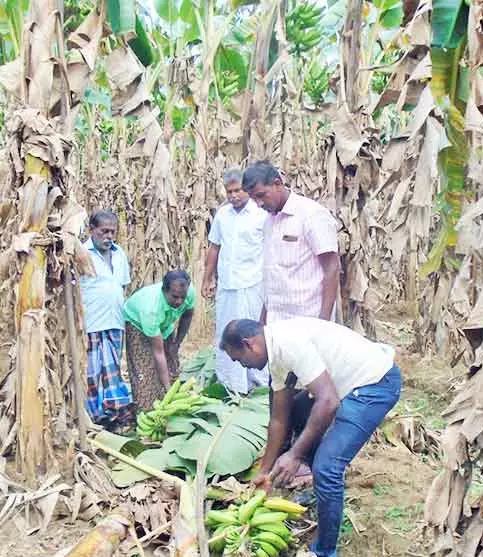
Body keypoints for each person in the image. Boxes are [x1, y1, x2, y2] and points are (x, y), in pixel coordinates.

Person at [220, 317, 402, 557]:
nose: (244, 366)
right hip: (348, 386)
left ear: (249, 345)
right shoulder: (276, 354)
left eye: (240, 359)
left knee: (327, 468)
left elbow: (328, 402)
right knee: (296, 409)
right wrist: (265, 470)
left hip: (375, 385)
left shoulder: (288, 343)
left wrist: (295, 455)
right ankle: (321, 492)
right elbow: (278, 419)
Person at [241, 160, 340, 325]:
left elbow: (332, 268)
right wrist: (262, 323)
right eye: (253, 199)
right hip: (276, 322)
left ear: (277, 184)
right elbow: (273, 276)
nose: (258, 204)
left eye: (260, 195)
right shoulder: (269, 222)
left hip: (308, 321)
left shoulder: (311, 215)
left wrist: (324, 324)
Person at [203, 168, 269, 394]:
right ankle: (230, 385)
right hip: (228, 286)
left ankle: (257, 385)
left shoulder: (261, 215)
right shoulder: (222, 215)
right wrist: (207, 277)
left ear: (247, 190)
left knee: (252, 335)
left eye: (238, 190)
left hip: (252, 285)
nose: (233, 196)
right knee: (226, 333)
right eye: (229, 191)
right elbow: (215, 247)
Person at [80, 209, 133, 431]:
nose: (109, 236)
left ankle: (115, 411)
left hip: (114, 320)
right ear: (92, 230)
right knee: (92, 372)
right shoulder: (82, 253)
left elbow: (121, 285)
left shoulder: (119, 254)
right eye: (104, 231)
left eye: (113, 232)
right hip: (91, 322)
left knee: (112, 369)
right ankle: (94, 414)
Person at [123, 270, 196, 412]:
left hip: (164, 323)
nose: (179, 301)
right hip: (137, 323)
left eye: (182, 297)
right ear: (164, 291)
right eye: (175, 297)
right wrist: (168, 389)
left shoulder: (188, 291)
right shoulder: (151, 309)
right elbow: (158, 352)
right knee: (144, 370)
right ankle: (147, 411)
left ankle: (172, 406)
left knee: (172, 363)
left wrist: (177, 343)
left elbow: (187, 315)